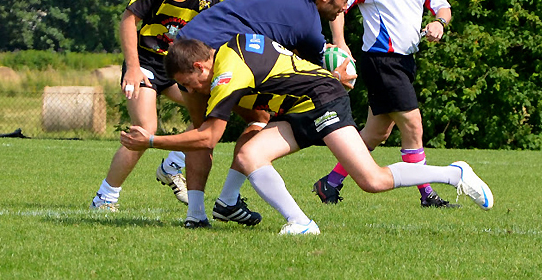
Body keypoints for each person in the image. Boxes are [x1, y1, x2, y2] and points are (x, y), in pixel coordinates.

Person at [120, 34, 494, 235]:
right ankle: (301, 222)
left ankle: (454, 173)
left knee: (372, 180)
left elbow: (206, 139)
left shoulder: (226, 75)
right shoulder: (231, 47)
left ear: (201, 66)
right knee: (250, 155)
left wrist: (149, 141)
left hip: (323, 100)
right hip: (303, 106)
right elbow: (263, 97)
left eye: (190, 83)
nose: (193, 91)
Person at [172, 0, 358, 228]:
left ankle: (197, 214)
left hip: (186, 49)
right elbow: (312, 72)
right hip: (214, 60)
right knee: (248, 124)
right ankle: (226, 199)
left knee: (206, 131)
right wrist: (338, 75)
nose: (345, 7)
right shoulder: (308, 26)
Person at [90, 0, 236, 211]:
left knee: (215, 118)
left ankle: (172, 166)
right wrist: (132, 67)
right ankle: (105, 198)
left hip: (182, 70)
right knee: (146, 125)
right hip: (146, 61)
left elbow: (225, 38)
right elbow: (129, 19)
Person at [313, 0, 456, 208]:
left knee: (377, 132)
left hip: (405, 62)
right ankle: (427, 194)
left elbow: (443, 6)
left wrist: (439, 22)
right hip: (381, 61)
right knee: (413, 125)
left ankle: (330, 183)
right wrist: (340, 42)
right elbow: (340, 6)